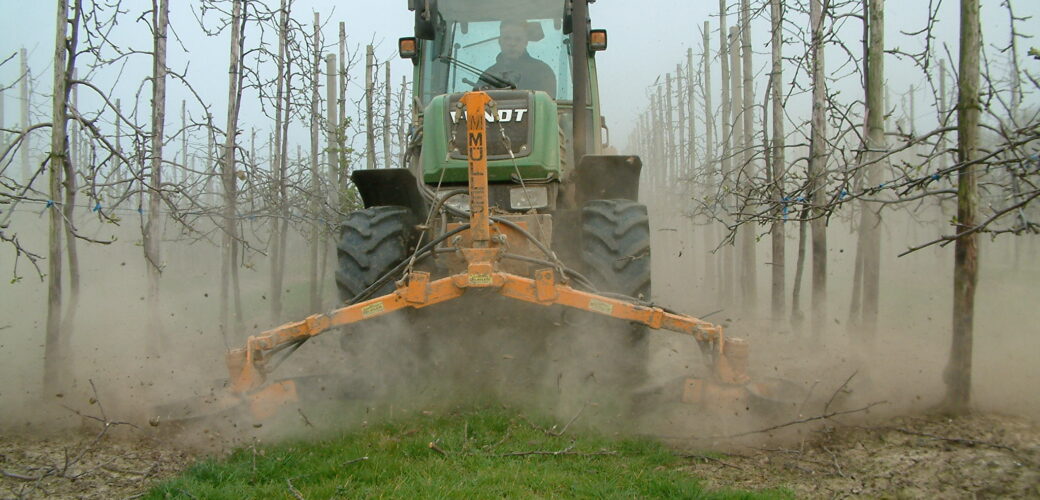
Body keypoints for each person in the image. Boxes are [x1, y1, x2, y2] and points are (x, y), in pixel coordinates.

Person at [479, 20, 557, 98]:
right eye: (507, 38)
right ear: (500, 41)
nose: (512, 43)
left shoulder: (542, 72)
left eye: (518, 39)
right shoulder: (488, 76)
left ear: (526, 42)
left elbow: (549, 105)